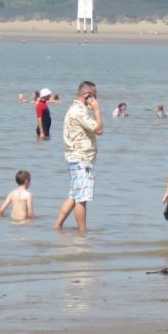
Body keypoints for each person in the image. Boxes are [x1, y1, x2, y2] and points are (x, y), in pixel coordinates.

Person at [55, 81, 103, 233]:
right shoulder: (79, 111)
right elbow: (99, 129)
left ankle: (58, 226)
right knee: (81, 199)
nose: (96, 100)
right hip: (82, 159)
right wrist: (97, 110)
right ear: (86, 95)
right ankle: (82, 232)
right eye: (94, 97)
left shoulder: (73, 109)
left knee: (74, 196)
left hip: (73, 158)